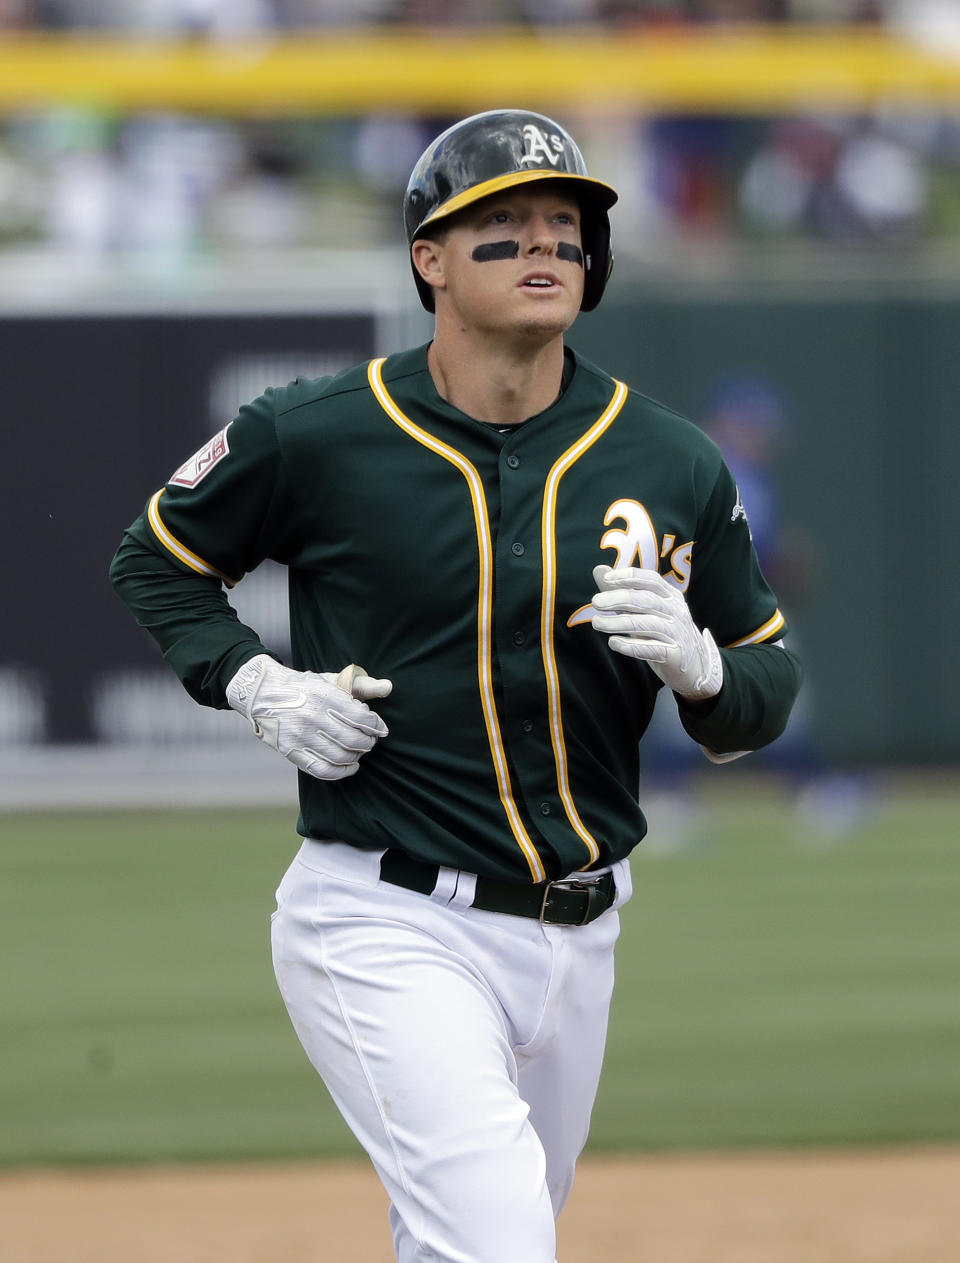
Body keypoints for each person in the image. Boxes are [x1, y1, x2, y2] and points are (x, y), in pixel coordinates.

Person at [110, 108, 802, 1263]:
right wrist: (252, 682)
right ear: (429, 258)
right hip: (383, 915)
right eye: (504, 226)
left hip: (584, 930)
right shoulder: (317, 433)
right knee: (497, 1244)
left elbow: (764, 685)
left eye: (567, 228)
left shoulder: (668, 459)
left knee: (463, 1246)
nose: (546, 246)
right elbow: (155, 561)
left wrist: (705, 667)